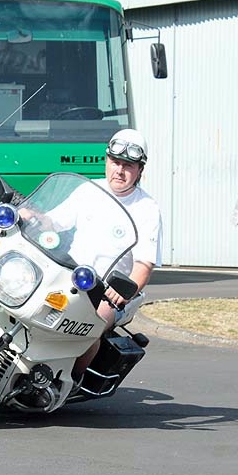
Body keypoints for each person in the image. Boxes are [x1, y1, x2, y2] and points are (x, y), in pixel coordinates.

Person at [71, 128, 162, 380]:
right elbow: (51, 221)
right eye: (115, 162)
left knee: (91, 323)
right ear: (106, 160)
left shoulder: (146, 208)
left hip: (109, 292)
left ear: (140, 170)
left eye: (128, 165)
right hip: (70, 277)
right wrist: (29, 214)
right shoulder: (87, 190)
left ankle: (70, 380)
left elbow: (144, 264)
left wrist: (122, 292)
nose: (119, 171)